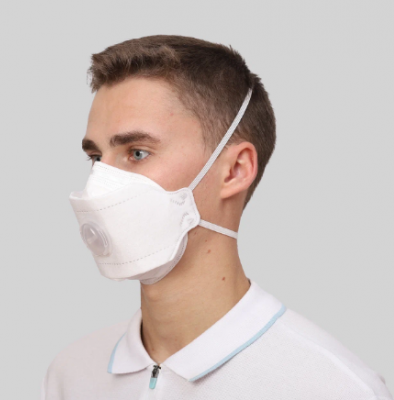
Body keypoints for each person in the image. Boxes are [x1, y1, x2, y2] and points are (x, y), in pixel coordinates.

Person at [40, 35, 393, 400]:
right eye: (96, 158)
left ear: (235, 170)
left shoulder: (332, 388)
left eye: (138, 153)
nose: (99, 187)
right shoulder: (71, 375)